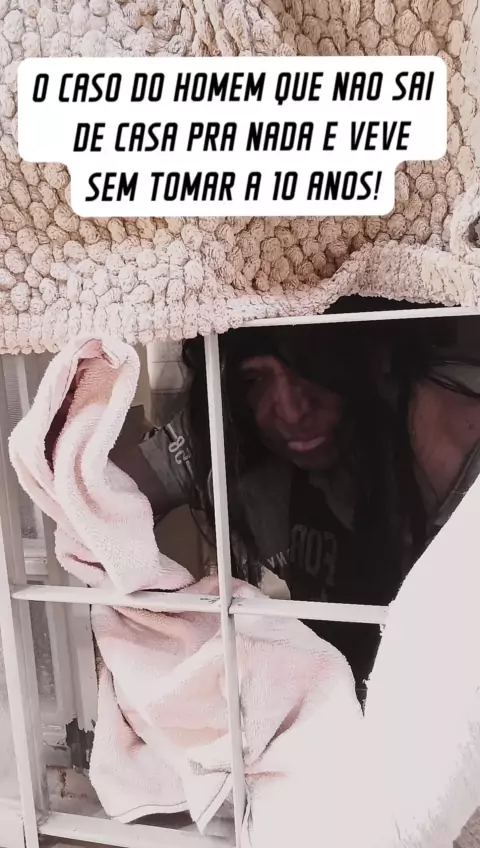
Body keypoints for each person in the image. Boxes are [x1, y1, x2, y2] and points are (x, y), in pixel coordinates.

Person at [111, 297, 480, 699]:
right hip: (338, 708)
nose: (290, 410)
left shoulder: (453, 435)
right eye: (255, 379)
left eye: (314, 367)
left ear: (376, 356)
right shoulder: (231, 423)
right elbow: (97, 492)